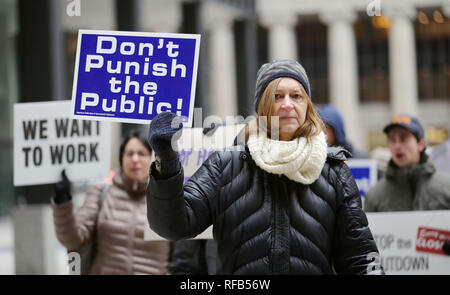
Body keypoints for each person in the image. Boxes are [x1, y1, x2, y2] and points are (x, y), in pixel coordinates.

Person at [146, 59, 383, 274]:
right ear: (261, 108)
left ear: (307, 106)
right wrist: (166, 162)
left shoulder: (334, 172)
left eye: (296, 96)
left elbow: (361, 258)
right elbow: (173, 226)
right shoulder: (225, 165)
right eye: (277, 96)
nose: (287, 105)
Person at [51, 129, 172, 275]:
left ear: (154, 158)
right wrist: (63, 201)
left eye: (141, 153)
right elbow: (73, 239)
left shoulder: (170, 199)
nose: (135, 159)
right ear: (121, 159)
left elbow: (183, 257)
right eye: (129, 154)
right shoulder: (102, 193)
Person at [364, 115, 450, 212]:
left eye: (404, 139)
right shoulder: (374, 196)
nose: (397, 146)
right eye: (392, 140)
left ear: (421, 144)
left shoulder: (446, 189)